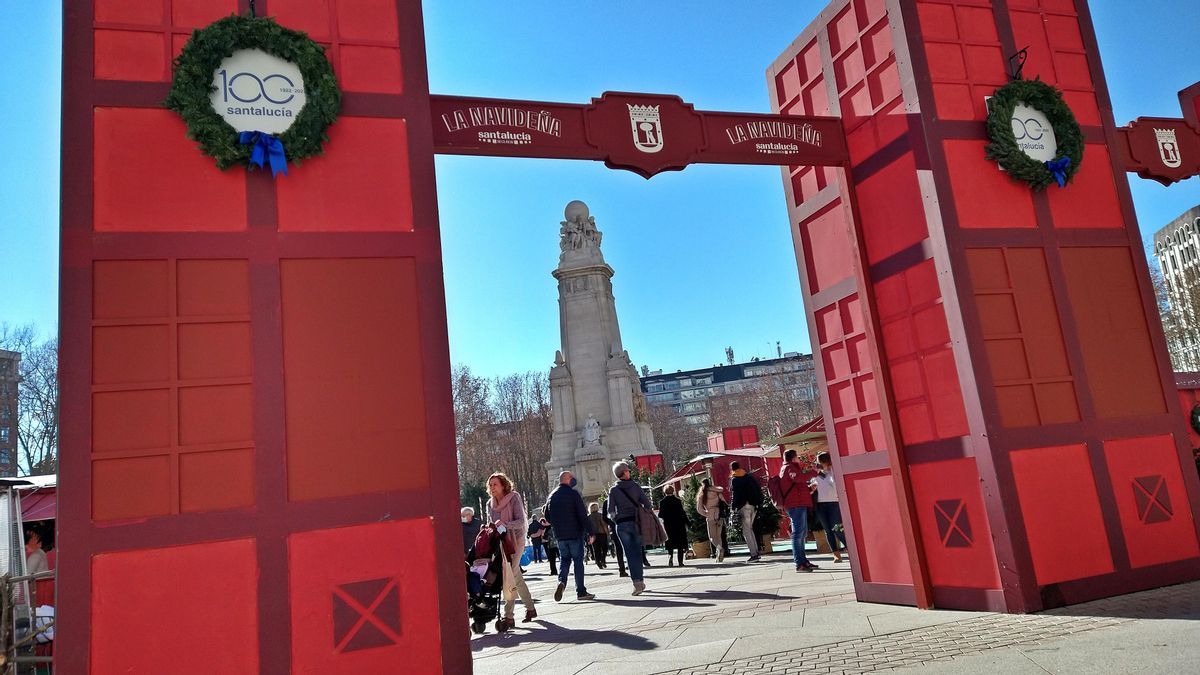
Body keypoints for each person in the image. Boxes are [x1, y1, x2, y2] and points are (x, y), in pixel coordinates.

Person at [486, 472, 536, 628]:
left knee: (510, 574)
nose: (492, 487)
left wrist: (504, 525)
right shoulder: (490, 504)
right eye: (490, 485)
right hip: (501, 542)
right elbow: (491, 522)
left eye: (495, 484)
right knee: (515, 575)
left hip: (516, 539)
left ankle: (509, 616)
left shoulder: (514, 497)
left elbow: (521, 521)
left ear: (503, 485)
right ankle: (531, 608)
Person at [544, 470, 596, 602]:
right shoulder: (573, 494)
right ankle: (581, 591)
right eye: (572, 477)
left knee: (564, 560)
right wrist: (591, 531)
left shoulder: (552, 496)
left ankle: (561, 582)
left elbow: (547, 516)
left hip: (560, 535)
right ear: (568, 479)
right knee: (578, 562)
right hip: (574, 533)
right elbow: (582, 515)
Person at [607, 461, 652, 595]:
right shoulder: (635, 486)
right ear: (624, 473)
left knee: (629, 554)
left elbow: (610, 511)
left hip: (621, 525)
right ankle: (640, 580)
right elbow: (647, 504)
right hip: (636, 522)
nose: (629, 472)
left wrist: (617, 519)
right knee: (638, 552)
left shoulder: (613, 490)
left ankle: (637, 583)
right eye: (627, 470)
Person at [780, 449, 820, 572]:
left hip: (797, 503)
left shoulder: (789, 467)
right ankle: (799, 564)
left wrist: (809, 489)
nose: (798, 458)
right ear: (793, 458)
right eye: (797, 456)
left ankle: (803, 561)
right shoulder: (789, 468)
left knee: (801, 534)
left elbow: (796, 487)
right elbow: (797, 478)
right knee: (798, 534)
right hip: (795, 505)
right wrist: (814, 472)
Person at [811, 452, 848, 562]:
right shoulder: (816, 474)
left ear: (826, 462)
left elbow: (835, 483)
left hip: (834, 503)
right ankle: (836, 554)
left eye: (820, 462)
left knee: (837, 529)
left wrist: (829, 469)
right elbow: (812, 485)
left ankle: (849, 549)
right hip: (820, 504)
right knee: (828, 530)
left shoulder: (833, 471)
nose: (819, 464)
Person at [729, 461, 764, 562]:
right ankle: (756, 551)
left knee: (746, 531)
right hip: (753, 505)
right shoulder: (748, 476)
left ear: (732, 469)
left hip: (744, 506)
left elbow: (736, 495)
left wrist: (733, 507)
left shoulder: (735, 479)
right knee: (750, 529)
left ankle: (754, 554)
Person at [695, 478, 726, 562]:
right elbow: (723, 502)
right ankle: (719, 557)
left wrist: (706, 513)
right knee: (719, 536)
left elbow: (699, 508)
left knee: (712, 537)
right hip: (719, 515)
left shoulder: (702, 494)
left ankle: (719, 549)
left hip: (710, 515)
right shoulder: (717, 491)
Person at [657, 485, 689, 567]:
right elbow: (682, 513)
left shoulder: (662, 502)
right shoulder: (677, 501)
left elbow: (660, 515)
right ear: (673, 491)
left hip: (668, 525)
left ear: (665, 492)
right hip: (679, 525)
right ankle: (680, 562)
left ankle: (670, 557)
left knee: (670, 543)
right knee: (680, 544)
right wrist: (687, 522)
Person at [588, 503, 610, 569]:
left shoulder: (588, 517)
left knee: (596, 550)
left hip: (592, 535)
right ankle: (603, 560)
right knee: (605, 548)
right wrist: (607, 533)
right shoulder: (600, 515)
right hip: (602, 534)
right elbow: (604, 525)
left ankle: (598, 562)